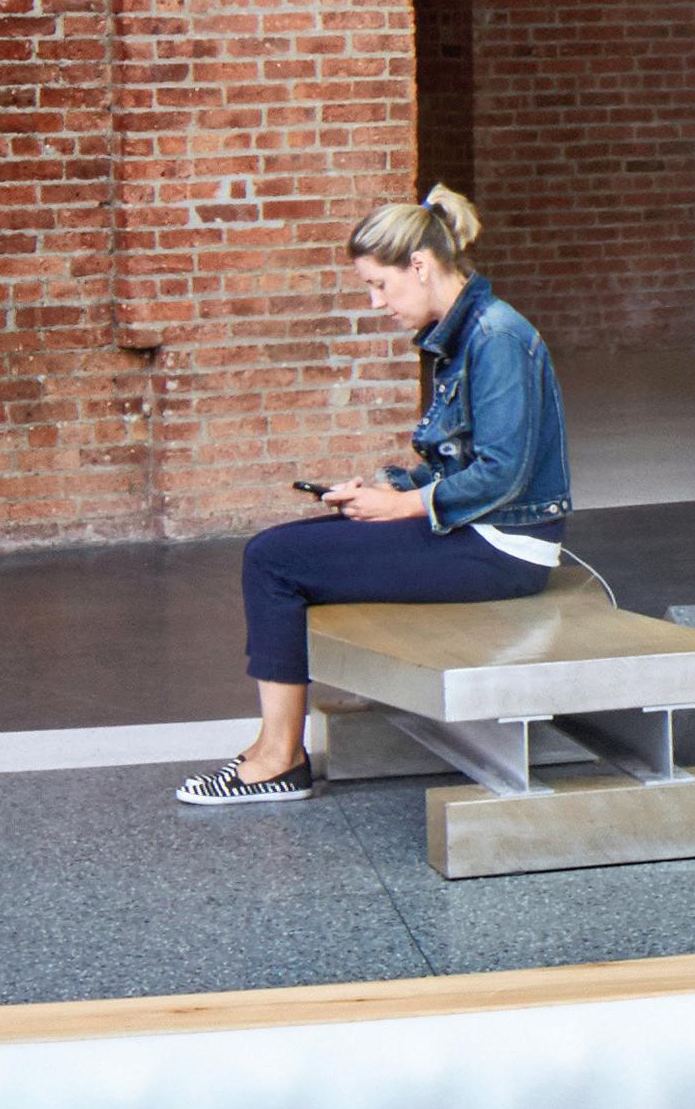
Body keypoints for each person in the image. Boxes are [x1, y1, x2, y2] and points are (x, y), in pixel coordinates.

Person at [176, 184, 571, 807]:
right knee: (277, 550)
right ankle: (273, 751)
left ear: (420, 265)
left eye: (380, 285)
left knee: (275, 561)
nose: (376, 302)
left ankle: (278, 759)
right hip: (478, 533)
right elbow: (460, 462)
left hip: (504, 549)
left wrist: (402, 506)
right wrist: (388, 488)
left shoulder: (496, 337)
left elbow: (503, 473)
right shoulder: (464, 334)